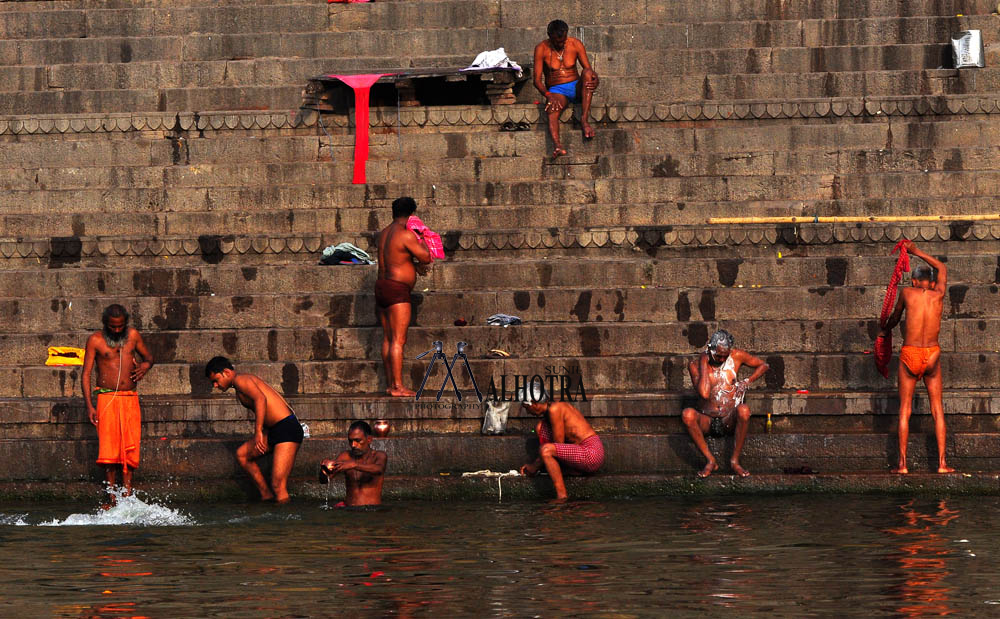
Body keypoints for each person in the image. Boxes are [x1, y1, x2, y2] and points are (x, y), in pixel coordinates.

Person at [879, 240, 954, 474]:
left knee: (904, 410)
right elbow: (942, 268)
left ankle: (902, 465)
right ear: (931, 283)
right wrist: (916, 251)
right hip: (932, 354)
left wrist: (885, 329)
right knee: (937, 410)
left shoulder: (907, 292)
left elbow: (894, 318)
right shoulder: (938, 294)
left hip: (910, 353)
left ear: (913, 281)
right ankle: (941, 464)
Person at [205, 356, 304, 502]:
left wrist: (258, 431)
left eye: (216, 380)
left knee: (278, 485)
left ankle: (285, 521)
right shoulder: (238, 386)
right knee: (242, 455)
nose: (215, 385)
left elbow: (260, 399)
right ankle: (266, 495)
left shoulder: (241, 380)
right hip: (274, 430)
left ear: (226, 372)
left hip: (287, 428)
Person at [82, 304, 154, 503]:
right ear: (105, 324)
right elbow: (86, 374)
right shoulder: (95, 340)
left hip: (129, 397)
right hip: (106, 399)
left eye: (120, 326)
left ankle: (128, 493)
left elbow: (149, 357)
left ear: (125, 323)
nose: (116, 330)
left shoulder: (133, 335)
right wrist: (90, 406)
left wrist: (145, 366)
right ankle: (111, 496)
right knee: (109, 449)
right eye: (112, 327)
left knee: (129, 447)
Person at [681, 330, 769, 478]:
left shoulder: (736, 356)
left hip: (729, 418)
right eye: (718, 355)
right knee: (687, 414)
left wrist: (748, 381)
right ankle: (710, 460)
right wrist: (704, 361)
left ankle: (734, 461)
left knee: (744, 410)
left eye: (725, 356)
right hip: (706, 420)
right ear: (710, 349)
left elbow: (764, 365)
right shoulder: (695, 365)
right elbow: (704, 393)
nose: (722, 359)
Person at [375, 196, 432, 397]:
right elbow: (426, 256)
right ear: (411, 214)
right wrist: (422, 236)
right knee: (398, 340)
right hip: (397, 290)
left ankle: (390, 384)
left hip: (381, 287)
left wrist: (413, 267)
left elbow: (395, 259)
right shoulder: (406, 234)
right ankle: (398, 386)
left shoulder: (384, 234)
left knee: (388, 339)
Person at [520, 383, 604, 502]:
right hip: (580, 452)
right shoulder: (551, 410)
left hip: (591, 453)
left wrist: (535, 466)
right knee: (541, 428)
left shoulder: (555, 409)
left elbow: (557, 445)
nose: (528, 412)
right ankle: (572, 470)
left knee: (546, 451)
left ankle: (562, 497)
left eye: (527, 408)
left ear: (534, 402)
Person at [533, 18, 599, 157]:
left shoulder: (575, 44)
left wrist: (595, 79)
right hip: (557, 91)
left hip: (576, 86)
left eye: (563, 40)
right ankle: (557, 145)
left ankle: (584, 120)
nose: (561, 44)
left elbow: (589, 70)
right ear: (549, 36)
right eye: (557, 41)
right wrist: (548, 95)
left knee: (587, 73)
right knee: (552, 107)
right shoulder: (541, 49)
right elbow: (537, 80)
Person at [319, 420, 388, 506]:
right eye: (350, 441)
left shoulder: (379, 456)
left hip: (371, 511)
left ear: (369, 439)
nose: (353, 445)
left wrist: (353, 465)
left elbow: (379, 469)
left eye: (357, 440)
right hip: (349, 510)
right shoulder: (345, 456)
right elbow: (324, 480)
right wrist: (324, 469)